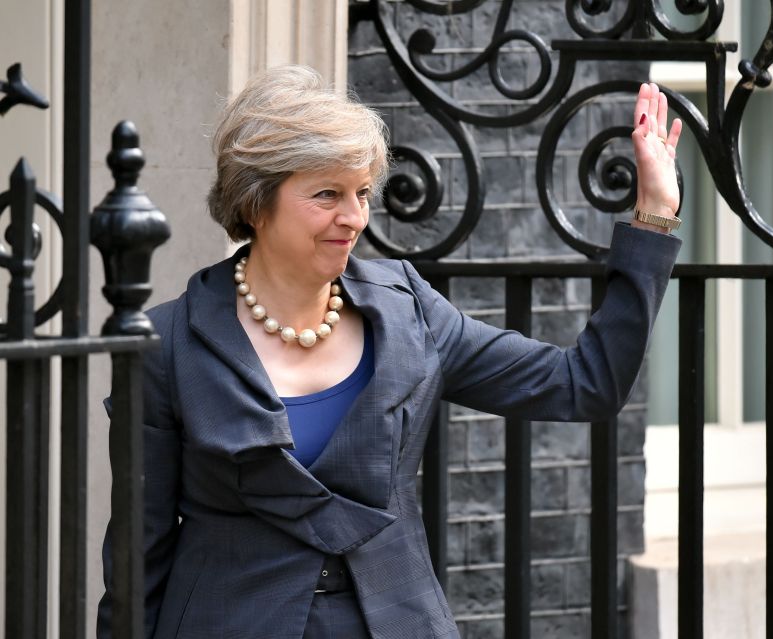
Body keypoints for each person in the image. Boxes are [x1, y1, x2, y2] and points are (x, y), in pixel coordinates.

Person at [96, 65, 684, 639]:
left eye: (360, 192)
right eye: (327, 194)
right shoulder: (167, 346)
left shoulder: (411, 313)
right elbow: (136, 557)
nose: (353, 218)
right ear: (255, 203)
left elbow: (584, 383)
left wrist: (653, 217)